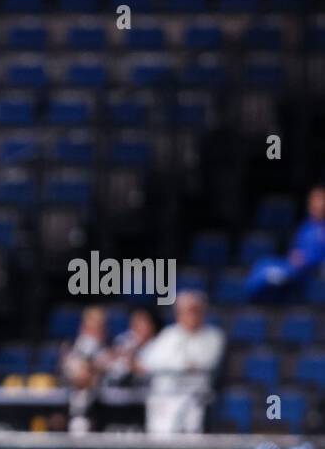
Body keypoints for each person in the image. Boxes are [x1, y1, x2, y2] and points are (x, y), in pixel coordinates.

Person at [136, 291, 225, 434]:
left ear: (202, 312)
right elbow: (147, 363)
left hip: (196, 398)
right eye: (184, 311)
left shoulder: (213, 336)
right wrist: (182, 365)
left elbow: (205, 363)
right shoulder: (168, 334)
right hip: (164, 398)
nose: (190, 315)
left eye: (194, 310)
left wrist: (170, 365)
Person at [244, 186, 325, 300]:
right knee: (263, 263)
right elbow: (297, 248)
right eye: (312, 200)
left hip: (305, 272)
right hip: (292, 266)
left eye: (319, 200)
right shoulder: (306, 226)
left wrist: (307, 260)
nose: (314, 204)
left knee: (264, 273)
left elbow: (318, 258)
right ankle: (247, 299)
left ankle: (246, 298)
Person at [102, 307, 158, 387]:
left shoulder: (159, 346)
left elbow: (152, 372)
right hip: (117, 388)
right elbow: (107, 363)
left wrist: (133, 364)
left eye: (140, 323)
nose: (136, 327)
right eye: (134, 323)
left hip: (147, 390)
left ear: (152, 325)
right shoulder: (124, 341)